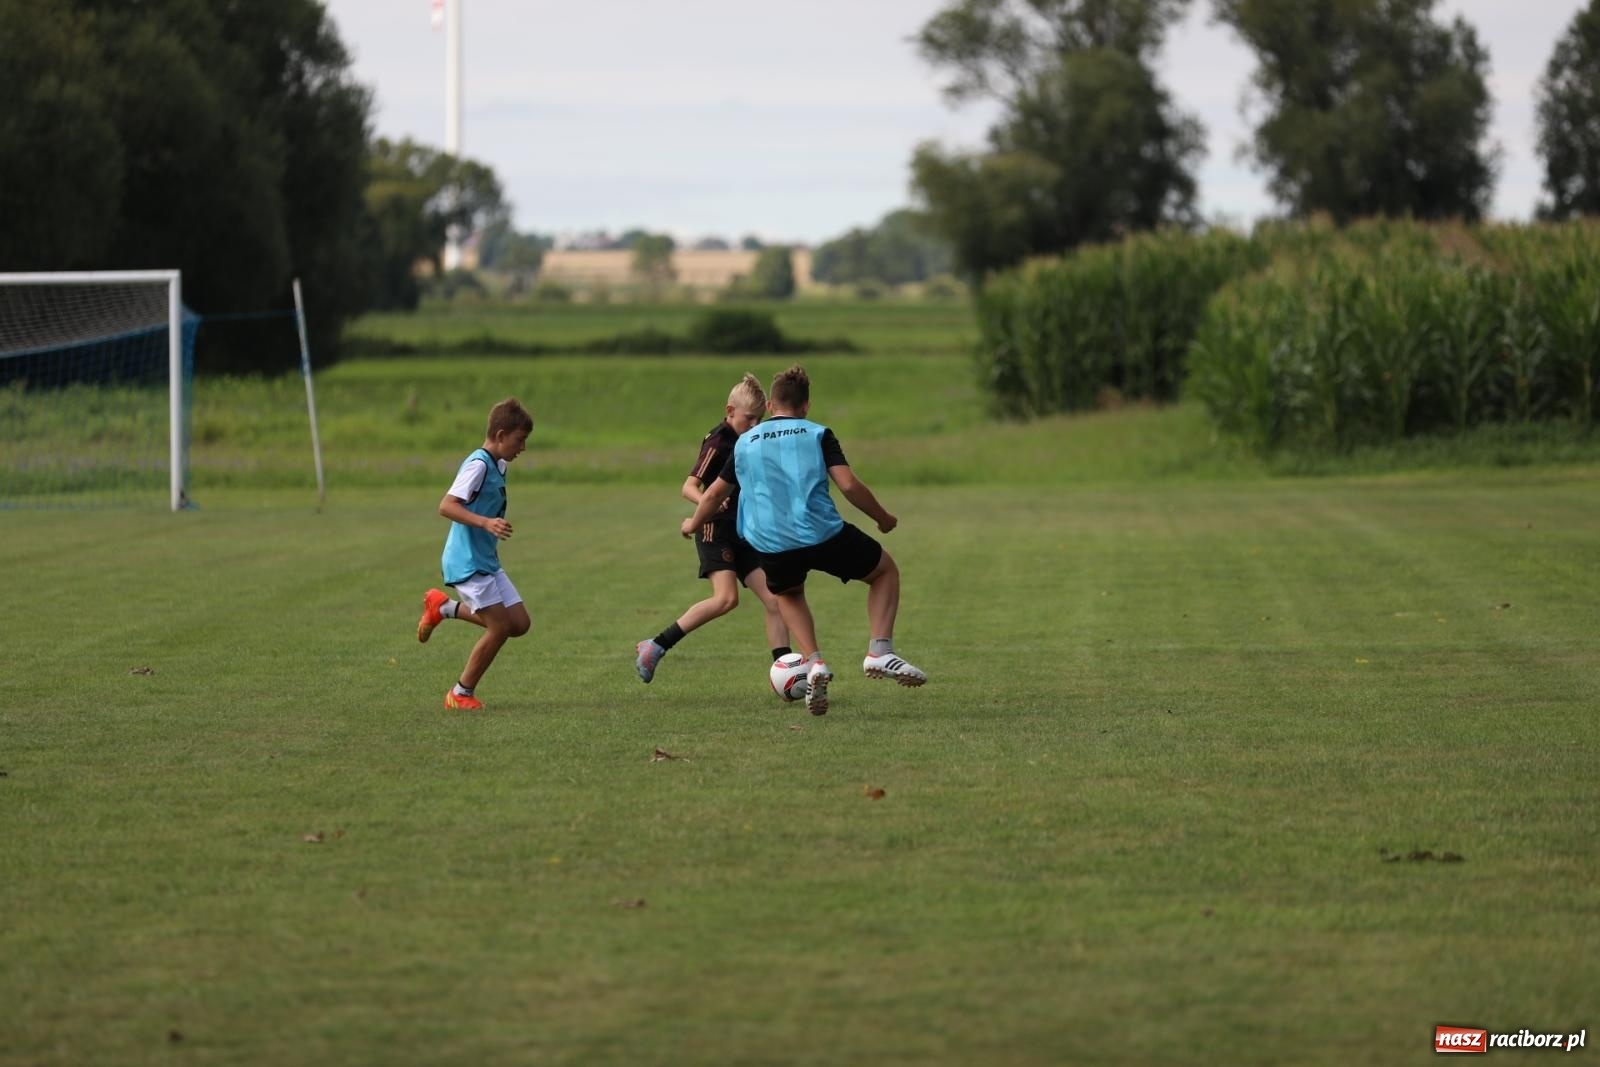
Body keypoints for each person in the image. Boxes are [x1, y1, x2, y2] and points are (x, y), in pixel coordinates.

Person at [680, 365, 926, 716]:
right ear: (806, 405)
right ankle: (880, 650)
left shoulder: (746, 442)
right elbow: (849, 485)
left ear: (769, 405)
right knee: (884, 571)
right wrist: (882, 518)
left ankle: (814, 661)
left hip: (771, 543)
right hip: (821, 532)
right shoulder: (818, 434)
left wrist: (693, 523)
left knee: (789, 593)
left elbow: (712, 494)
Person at [635, 373, 791, 683]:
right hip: (714, 530)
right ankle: (656, 645)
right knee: (726, 599)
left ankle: (786, 673)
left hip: (744, 531)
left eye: (759, 419)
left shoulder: (751, 440)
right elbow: (689, 486)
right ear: (730, 411)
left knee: (776, 600)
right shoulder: (718, 441)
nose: (754, 425)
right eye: (748, 418)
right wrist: (707, 504)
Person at [415, 397, 534, 711]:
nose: (523, 447)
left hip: (486, 561)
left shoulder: (499, 464)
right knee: (499, 628)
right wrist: (486, 522)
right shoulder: (478, 465)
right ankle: (460, 693)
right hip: (466, 562)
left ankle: (443, 608)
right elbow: (446, 506)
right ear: (500, 435)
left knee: (519, 623)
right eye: (520, 439)